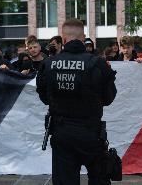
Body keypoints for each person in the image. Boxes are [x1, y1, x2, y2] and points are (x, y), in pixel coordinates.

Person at [36, 19, 117, 185]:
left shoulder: (48, 64)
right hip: (91, 134)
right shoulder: (98, 64)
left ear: (63, 39)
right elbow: (108, 99)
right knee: (99, 178)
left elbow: (44, 97)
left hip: (62, 133)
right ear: (84, 38)